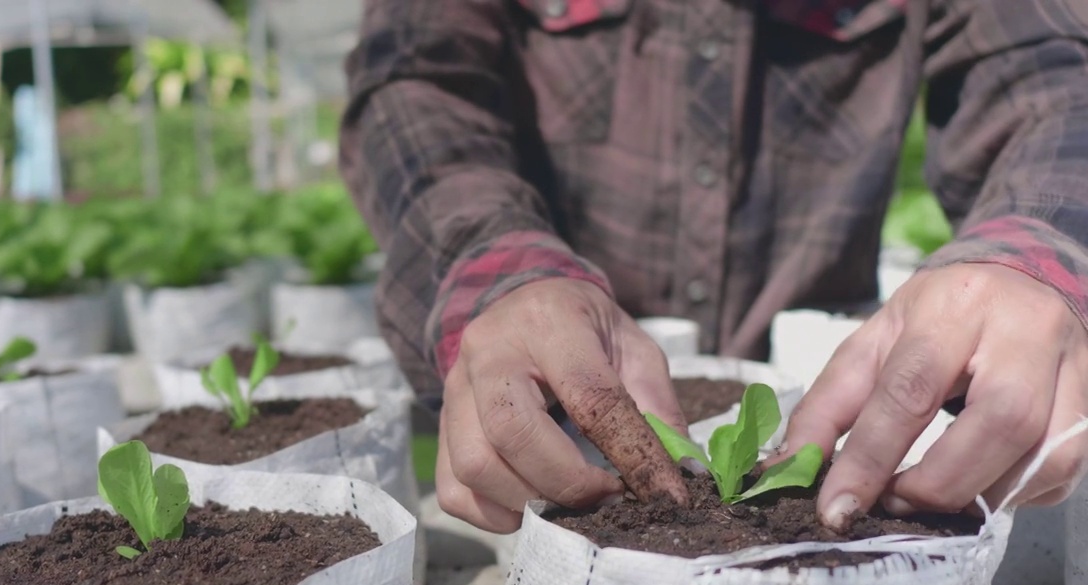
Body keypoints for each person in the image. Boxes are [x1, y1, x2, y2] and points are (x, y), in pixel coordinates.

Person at [338, 0, 1088, 534]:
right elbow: (414, 82)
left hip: (829, 404)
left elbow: (1052, 73)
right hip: (557, 419)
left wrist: (1035, 252)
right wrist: (499, 268)